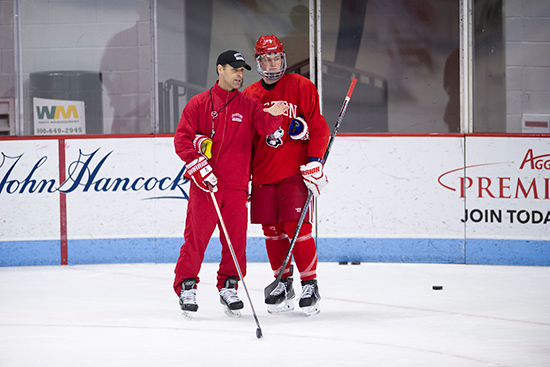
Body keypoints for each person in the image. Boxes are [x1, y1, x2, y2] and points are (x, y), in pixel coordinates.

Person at [173, 50, 289, 318]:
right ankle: (186, 286)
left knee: (235, 241)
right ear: (219, 69)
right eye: (235, 69)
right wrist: (199, 167)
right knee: (196, 238)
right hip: (206, 187)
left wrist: (276, 113)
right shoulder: (199, 103)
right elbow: (182, 140)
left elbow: (265, 127)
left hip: (236, 187)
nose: (239, 75)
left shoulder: (248, 105)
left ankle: (229, 285)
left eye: (242, 71)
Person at [243, 35, 330, 316]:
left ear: (283, 58)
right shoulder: (250, 96)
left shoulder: (300, 86)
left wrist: (315, 160)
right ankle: (283, 281)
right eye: (266, 58)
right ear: (258, 62)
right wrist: (242, 177)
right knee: (272, 231)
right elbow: (245, 142)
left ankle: (310, 284)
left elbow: (318, 125)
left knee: (297, 227)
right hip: (263, 175)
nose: (273, 63)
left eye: (277, 57)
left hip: (294, 172)